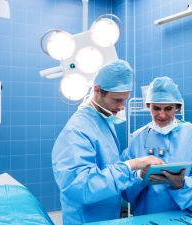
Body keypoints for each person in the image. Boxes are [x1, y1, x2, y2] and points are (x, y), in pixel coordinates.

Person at [52, 60, 163, 225]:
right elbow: (81, 188)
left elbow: (109, 172)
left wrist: (140, 175)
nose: (121, 107)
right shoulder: (77, 131)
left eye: (125, 100)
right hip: (86, 219)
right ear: (96, 90)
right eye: (117, 100)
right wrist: (132, 164)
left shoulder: (104, 121)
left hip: (107, 217)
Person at [121, 76, 192, 215]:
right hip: (146, 217)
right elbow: (123, 190)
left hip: (183, 217)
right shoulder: (138, 138)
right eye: (156, 108)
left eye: (168, 108)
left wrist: (182, 184)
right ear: (148, 106)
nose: (162, 115)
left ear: (177, 108)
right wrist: (139, 177)